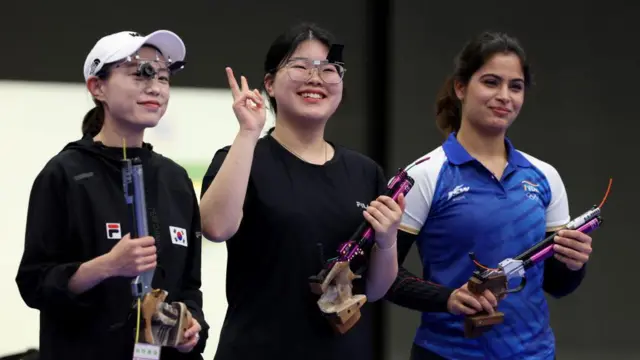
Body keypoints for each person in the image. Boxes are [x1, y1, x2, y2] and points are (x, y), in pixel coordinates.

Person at [384, 31, 594, 360]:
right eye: (491, 82)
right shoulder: (423, 175)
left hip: (535, 354)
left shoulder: (544, 177)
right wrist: (448, 298)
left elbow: (558, 285)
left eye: (516, 86)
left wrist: (573, 263)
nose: (504, 96)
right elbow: (384, 277)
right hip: (446, 353)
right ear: (461, 87)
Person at [199, 22, 403, 360]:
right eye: (300, 66)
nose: (315, 78)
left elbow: (377, 289)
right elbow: (216, 227)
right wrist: (249, 133)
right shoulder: (243, 156)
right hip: (258, 349)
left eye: (329, 69)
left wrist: (388, 239)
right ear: (269, 84)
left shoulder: (365, 172)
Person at [15, 30, 208, 360]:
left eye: (164, 77)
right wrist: (106, 266)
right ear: (97, 87)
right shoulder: (65, 174)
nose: (156, 87)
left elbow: (189, 288)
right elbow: (35, 283)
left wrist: (192, 328)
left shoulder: (175, 179)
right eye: (140, 74)